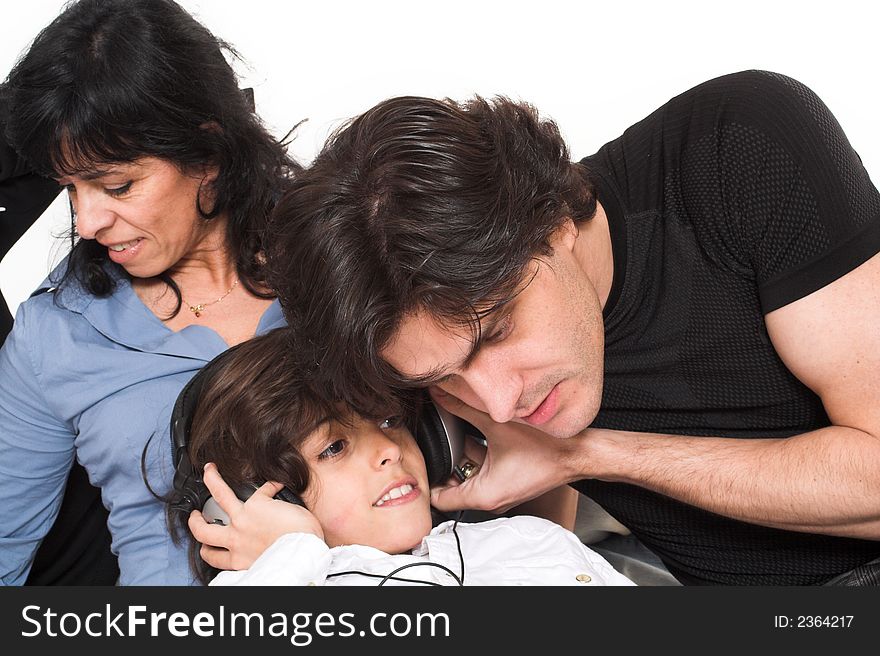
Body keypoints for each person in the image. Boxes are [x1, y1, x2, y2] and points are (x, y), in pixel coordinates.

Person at [263, 70, 880, 585]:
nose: (500, 405)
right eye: (445, 380)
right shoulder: (419, 348)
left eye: (497, 330)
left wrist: (584, 456)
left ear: (555, 222)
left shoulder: (740, 147)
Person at [0, 0, 298, 585]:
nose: (86, 222)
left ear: (207, 154)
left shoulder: (341, 254)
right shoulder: (54, 334)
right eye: (71, 189)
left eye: (117, 185)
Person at [172, 328, 635, 586]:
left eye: (391, 421)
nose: (390, 450)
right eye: (334, 448)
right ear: (258, 499)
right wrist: (290, 553)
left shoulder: (526, 540)